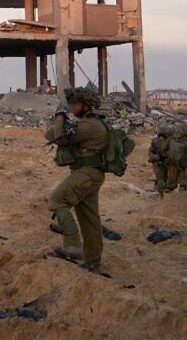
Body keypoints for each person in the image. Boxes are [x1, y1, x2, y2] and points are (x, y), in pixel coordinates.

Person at [44, 86, 108, 271]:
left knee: (57, 200)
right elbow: (51, 134)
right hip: (89, 173)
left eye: (74, 103)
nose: (71, 107)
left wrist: (60, 117)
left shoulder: (90, 125)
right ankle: (93, 262)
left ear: (86, 105)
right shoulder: (87, 123)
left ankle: (72, 245)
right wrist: (62, 121)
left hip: (86, 173)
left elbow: (57, 138)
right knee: (89, 220)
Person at [148, 124, 173, 198]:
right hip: (168, 163)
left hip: (158, 163)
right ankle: (167, 195)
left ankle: (161, 195)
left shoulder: (155, 141)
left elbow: (150, 152)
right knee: (167, 178)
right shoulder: (171, 141)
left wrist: (155, 157)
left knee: (160, 179)